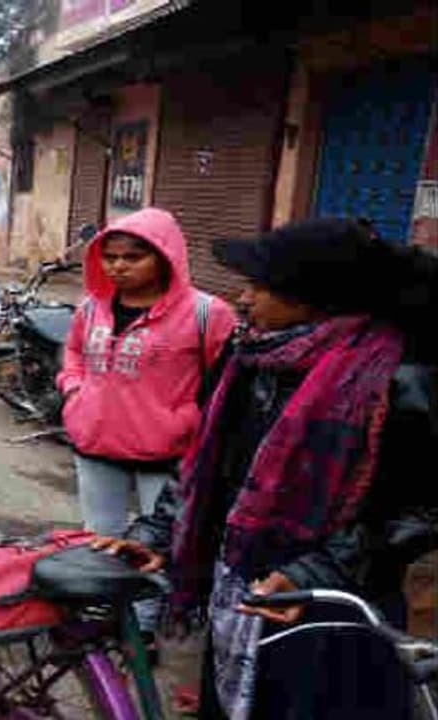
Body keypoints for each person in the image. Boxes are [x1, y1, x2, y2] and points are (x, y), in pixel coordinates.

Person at [94, 218, 437, 720]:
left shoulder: (399, 380)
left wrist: (312, 572)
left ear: (315, 297)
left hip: (330, 612)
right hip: (244, 595)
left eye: (260, 286)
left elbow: (419, 510)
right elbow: (205, 466)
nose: (242, 298)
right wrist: (160, 531)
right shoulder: (250, 356)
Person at [56, 208, 237, 638]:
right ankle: (102, 618)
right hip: (96, 443)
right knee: (101, 538)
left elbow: (226, 385)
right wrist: (73, 390)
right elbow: (75, 354)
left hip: (169, 455)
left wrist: (188, 421)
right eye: (111, 256)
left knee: (155, 548)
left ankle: (144, 630)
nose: (118, 265)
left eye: (134, 256)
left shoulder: (207, 314)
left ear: (165, 256)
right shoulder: (90, 308)